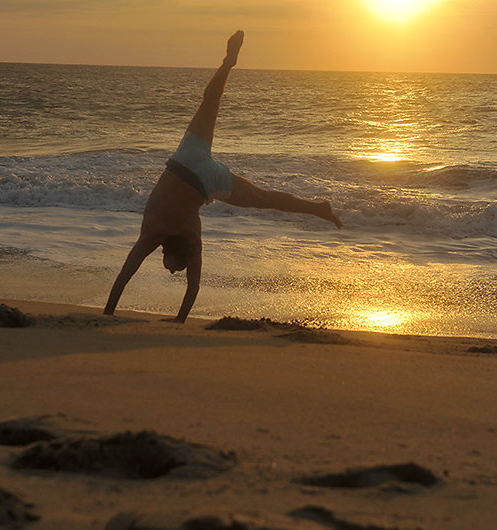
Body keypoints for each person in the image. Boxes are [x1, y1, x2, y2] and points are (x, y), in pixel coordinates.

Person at [103, 30, 342, 322]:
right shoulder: (166, 235)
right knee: (210, 103)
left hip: (203, 176)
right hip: (190, 163)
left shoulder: (179, 235)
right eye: (176, 270)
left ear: (180, 255)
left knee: (262, 197)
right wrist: (171, 318)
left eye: (174, 268)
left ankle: (317, 207)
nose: (172, 271)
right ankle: (227, 63)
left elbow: (177, 283)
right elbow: (133, 276)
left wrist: (110, 313)